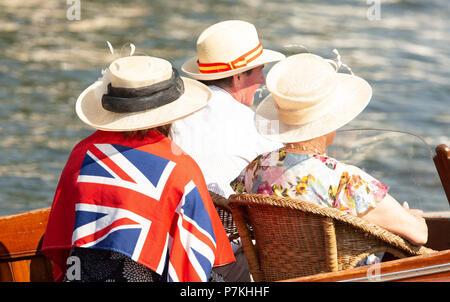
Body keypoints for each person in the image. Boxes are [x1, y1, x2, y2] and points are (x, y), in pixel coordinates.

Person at [41, 55, 235, 282]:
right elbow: (193, 263)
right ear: (170, 113)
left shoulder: (81, 154)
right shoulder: (180, 168)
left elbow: (63, 239)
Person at [231, 52, 428, 250]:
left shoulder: (257, 169)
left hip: (274, 276)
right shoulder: (345, 180)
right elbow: (419, 234)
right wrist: (414, 217)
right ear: (328, 121)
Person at [169, 20, 286, 198]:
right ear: (237, 77)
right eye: (259, 71)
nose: (262, 80)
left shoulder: (173, 117)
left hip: (181, 217)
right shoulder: (257, 125)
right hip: (230, 222)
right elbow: (283, 180)